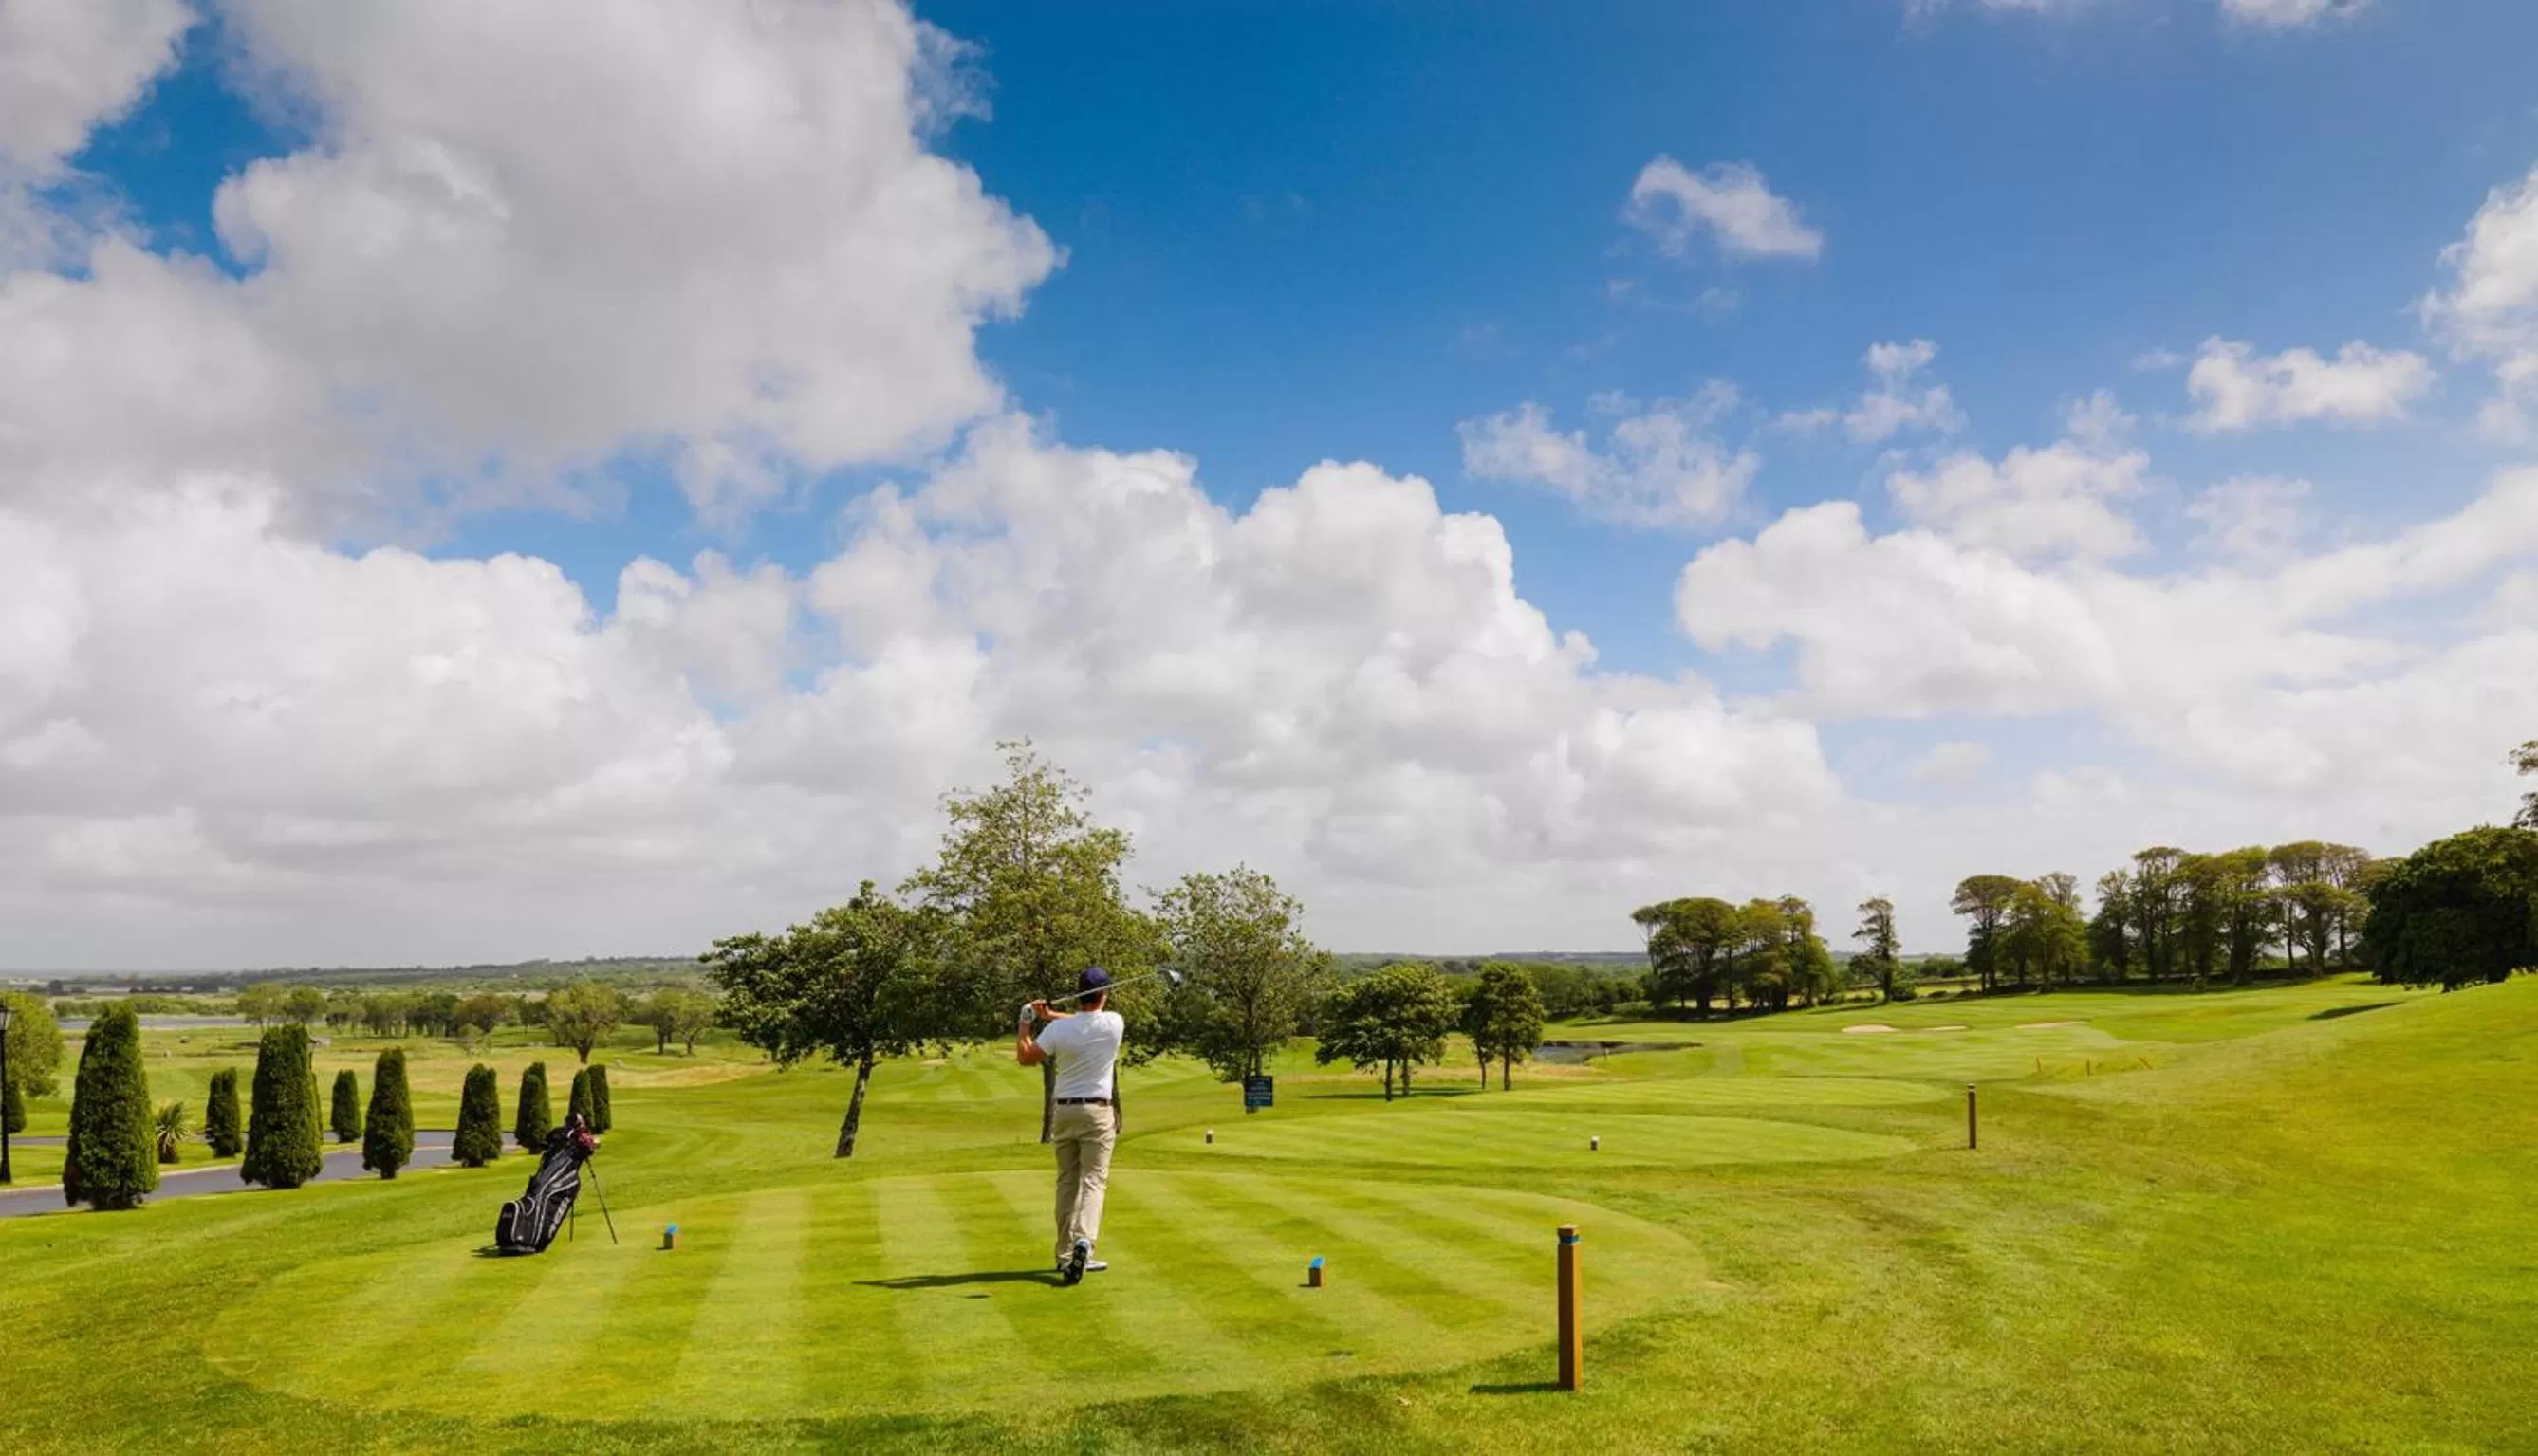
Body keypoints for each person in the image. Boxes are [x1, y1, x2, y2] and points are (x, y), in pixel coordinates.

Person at [1015, 966, 1124, 1285]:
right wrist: (1051, 1016)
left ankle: (1065, 1255)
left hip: (1063, 1111)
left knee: (1067, 1181)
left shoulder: (1058, 1031)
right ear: (1104, 994)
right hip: (1098, 1111)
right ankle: (1084, 1242)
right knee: (1093, 1181)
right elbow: (1085, 1023)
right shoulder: (1114, 1023)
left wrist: (1026, 1023)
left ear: (1079, 994)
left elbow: (1026, 1057)